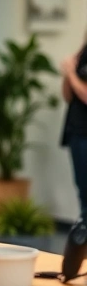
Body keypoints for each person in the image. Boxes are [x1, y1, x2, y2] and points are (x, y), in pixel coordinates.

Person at [61, 38, 87, 219]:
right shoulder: (83, 54)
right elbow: (68, 96)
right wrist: (67, 75)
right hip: (77, 132)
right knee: (83, 189)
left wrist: (71, 73)